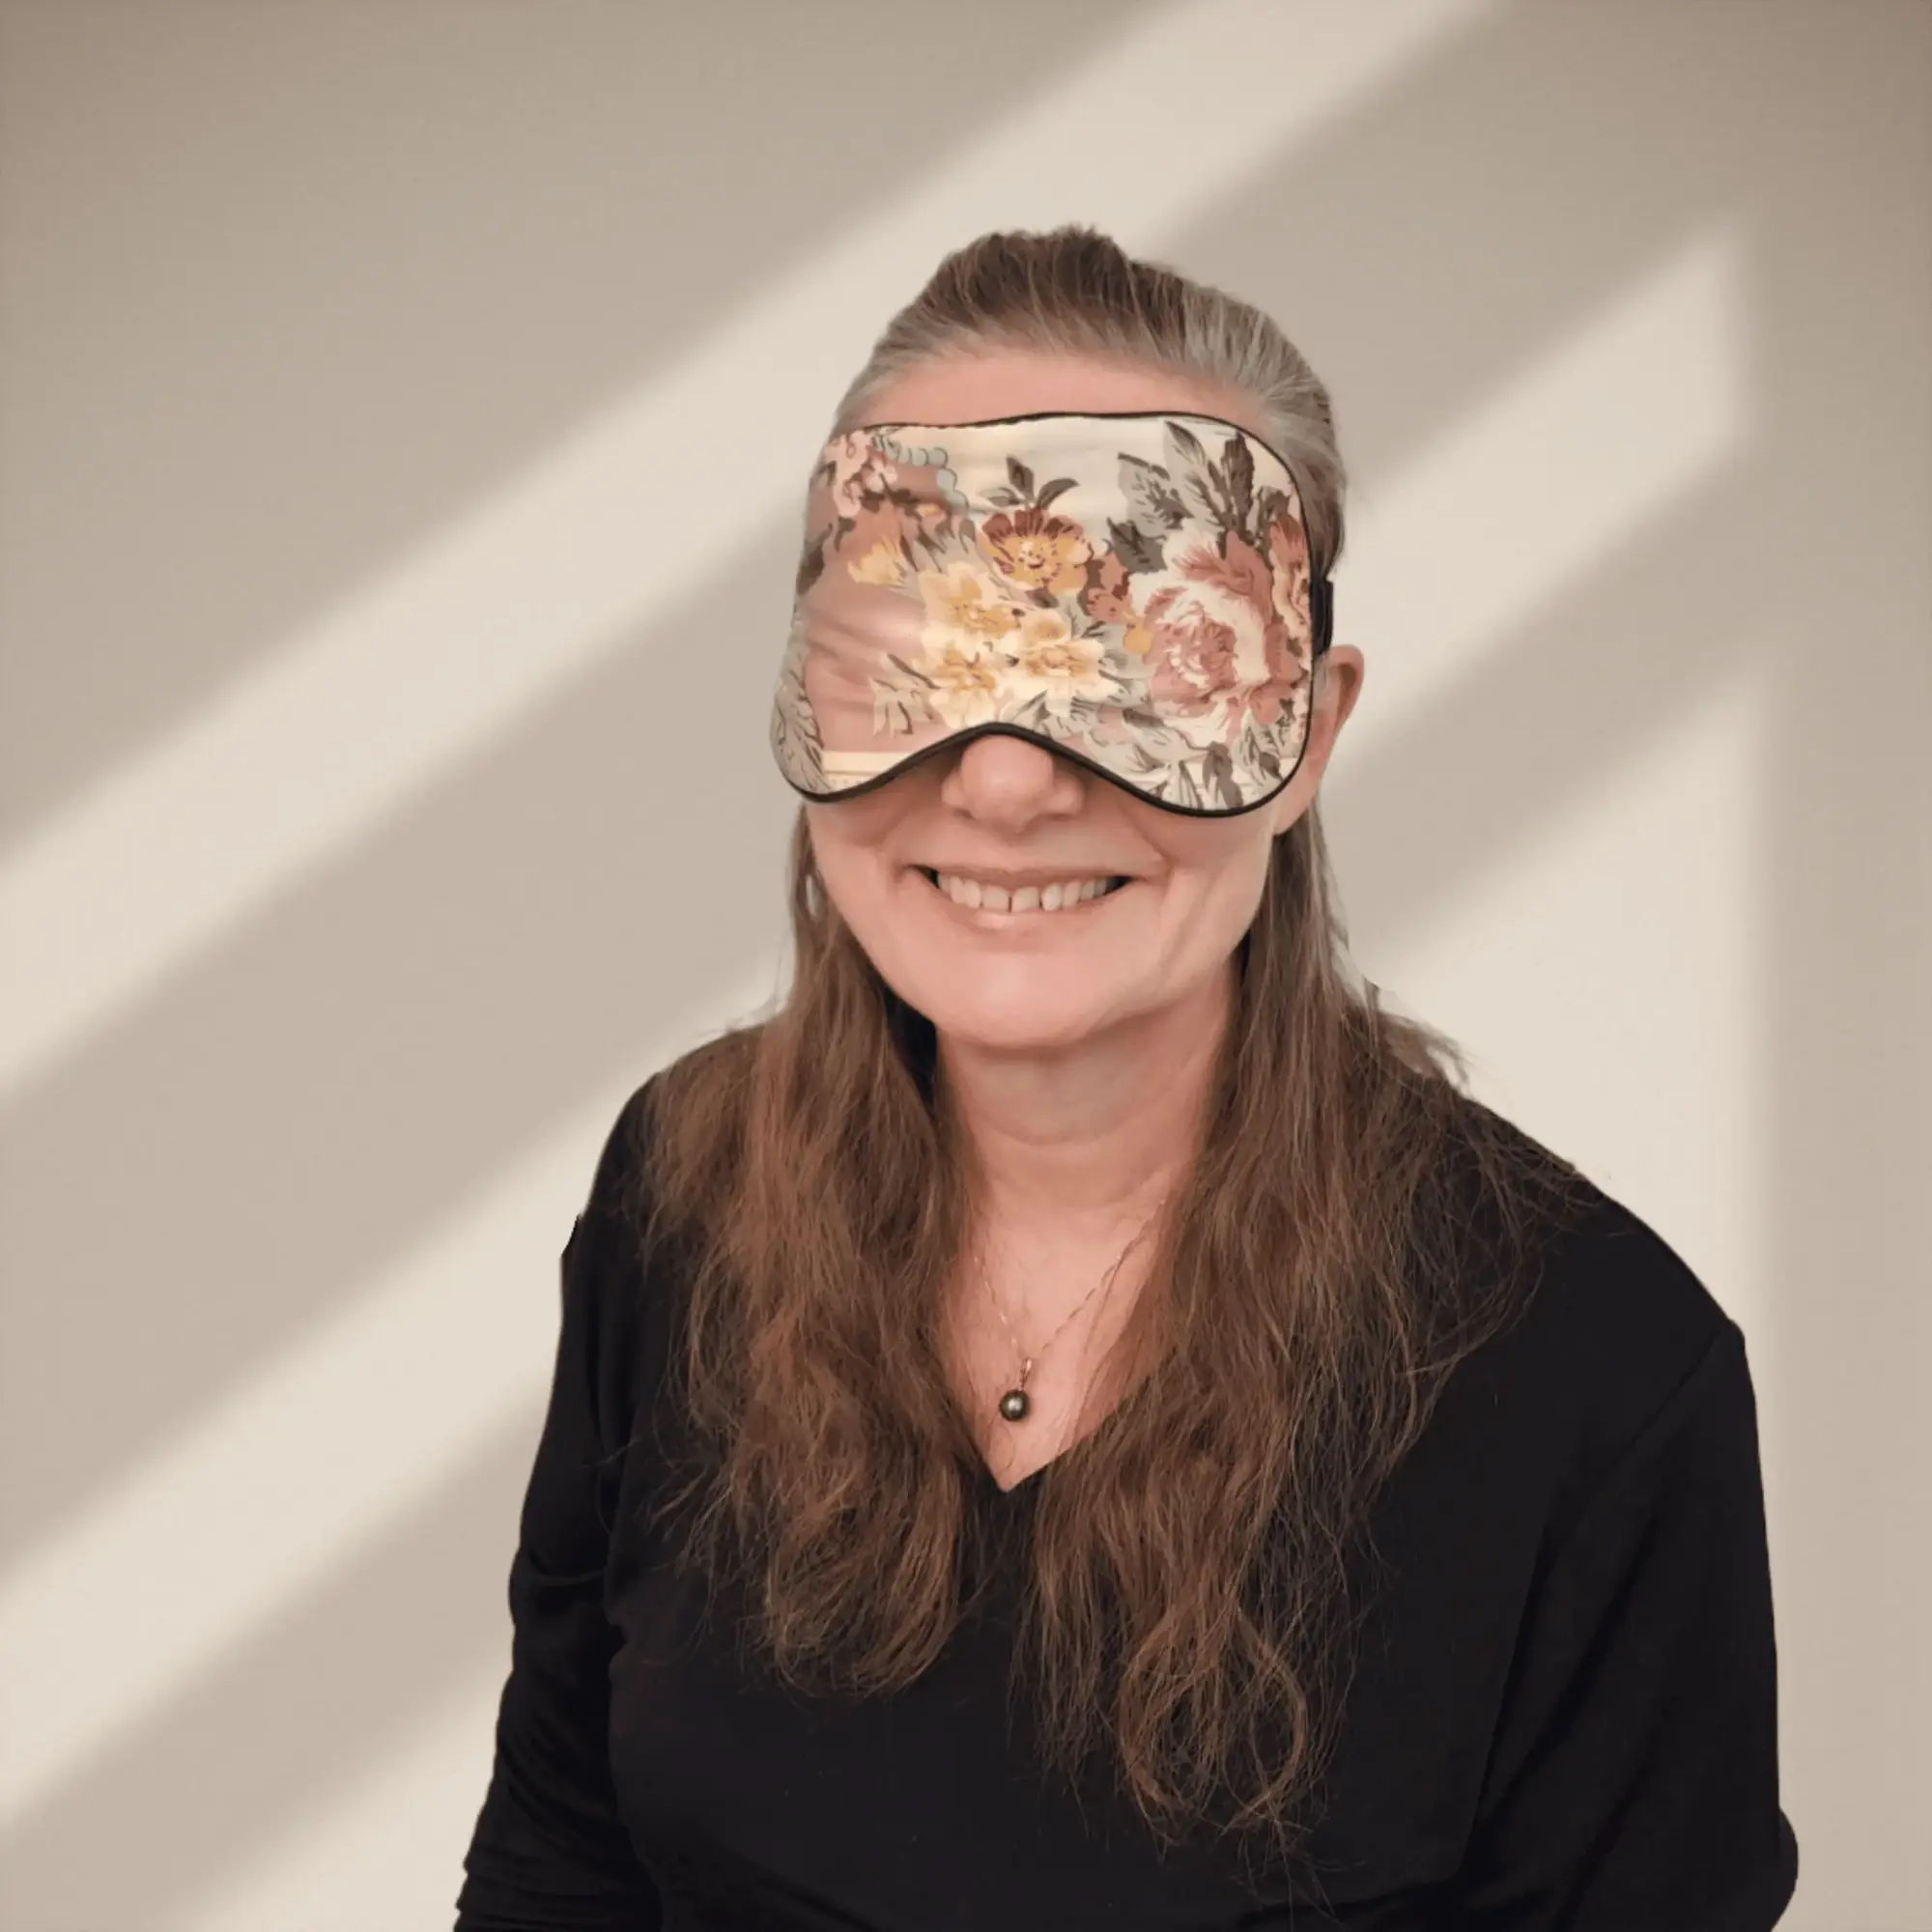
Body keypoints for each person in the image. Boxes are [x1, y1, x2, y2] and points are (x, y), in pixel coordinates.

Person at [454, 227, 1799, 1931]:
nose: (1006, 786)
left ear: (1306, 732)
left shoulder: (1597, 1378)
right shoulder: (683, 1188)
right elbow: (562, 1856)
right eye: (918, 647)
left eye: (1132, 667)